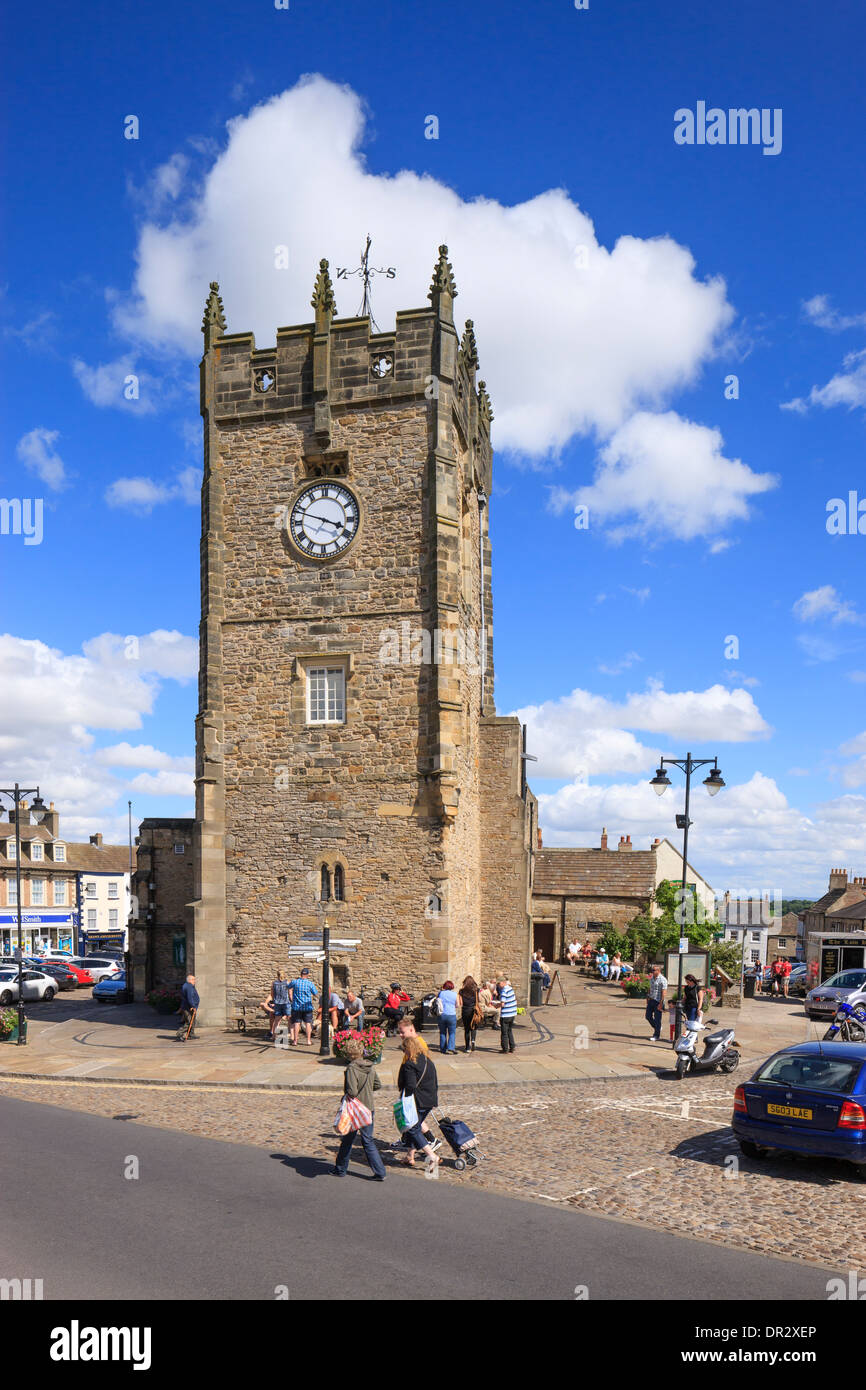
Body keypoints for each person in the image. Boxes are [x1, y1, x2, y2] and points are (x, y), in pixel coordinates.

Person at [333, 1037, 387, 1181]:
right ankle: (380, 1172)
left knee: (347, 1140)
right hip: (369, 1107)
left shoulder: (352, 1068)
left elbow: (352, 1091)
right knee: (368, 1140)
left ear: (348, 1053)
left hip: (355, 1109)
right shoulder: (370, 1066)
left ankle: (340, 1169)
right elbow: (378, 1085)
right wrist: (368, 1090)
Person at [396, 1033, 441, 1170]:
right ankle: (410, 1156)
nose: (404, 1053)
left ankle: (432, 1156)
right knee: (413, 1127)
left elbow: (410, 1085)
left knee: (413, 1128)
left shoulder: (410, 1064)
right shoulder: (428, 1060)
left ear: (408, 1049)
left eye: (404, 1050)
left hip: (417, 1101)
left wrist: (404, 1100)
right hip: (430, 1099)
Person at [289, 967, 319, 1046]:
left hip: (296, 1007)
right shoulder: (310, 983)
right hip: (307, 1007)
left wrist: (292, 994)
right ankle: (308, 1041)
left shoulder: (295, 982)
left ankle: (295, 1041)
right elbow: (315, 993)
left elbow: (288, 987)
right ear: (308, 975)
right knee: (308, 1023)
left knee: (296, 1023)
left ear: (301, 974)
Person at [458, 975, 480, 1053]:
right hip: (473, 1011)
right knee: (473, 1026)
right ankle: (473, 1040)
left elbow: (461, 1003)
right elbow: (478, 1000)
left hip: (465, 1011)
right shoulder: (476, 990)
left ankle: (467, 1047)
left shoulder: (461, 991)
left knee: (467, 1029)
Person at [646, 964, 667, 1041]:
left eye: (654, 970)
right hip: (651, 1000)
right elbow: (649, 988)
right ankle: (657, 1027)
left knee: (657, 1019)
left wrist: (661, 1003)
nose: (652, 971)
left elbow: (664, 992)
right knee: (648, 1016)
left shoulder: (663, 980)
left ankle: (656, 1035)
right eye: (652, 970)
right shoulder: (652, 978)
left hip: (658, 1001)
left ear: (658, 971)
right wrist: (647, 997)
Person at [436, 979, 459, 1054]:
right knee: (452, 1032)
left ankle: (443, 1049)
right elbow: (457, 1005)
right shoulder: (455, 994)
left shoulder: (441, 993)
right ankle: (451, 1048)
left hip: (442, 1015)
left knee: (442, 1032)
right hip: (451, 1015)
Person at [497, 975, 518, 1053]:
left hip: (506, 1015)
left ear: (503, 982)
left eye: (499, 983)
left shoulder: (504, 991)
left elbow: (502, 1003)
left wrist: (496, 1005)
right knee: (509, 1030)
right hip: (512, 1014)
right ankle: (512, 1047)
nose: (498, 985)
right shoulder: (510, 988)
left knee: (504, 1033)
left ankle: (505, 1049)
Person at [178, 974, 199, 1040]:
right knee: (189, 1021)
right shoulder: (189, 986)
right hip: (188, 1007)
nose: (194, 981)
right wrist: (193, 1006)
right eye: (193, 979)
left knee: (192, 1021)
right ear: (189, 980)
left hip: (189, 1006)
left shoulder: (188, 986)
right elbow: (190, 998)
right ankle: (180, 1033)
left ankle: (191, 1034)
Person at [271, 970, 290, 1038]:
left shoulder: (274, 983)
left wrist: (274, 1001)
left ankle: (274, 1035)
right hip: (286, 1002)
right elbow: (290, 994)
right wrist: (291, 1000)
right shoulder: (287, 982)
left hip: (277, 1003)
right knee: (289, 1018)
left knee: (277, 1020)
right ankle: (290, 1034)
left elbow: (272, 994)